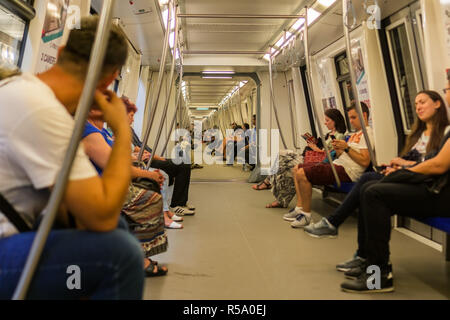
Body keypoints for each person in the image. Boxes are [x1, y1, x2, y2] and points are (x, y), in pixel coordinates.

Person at [0, 17, 144, 299]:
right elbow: (101, 215)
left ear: (62, 52)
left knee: (117, 228)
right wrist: (122, 131)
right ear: (110, 78)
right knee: (119, 256)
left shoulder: (23, 91)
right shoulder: (42, 111)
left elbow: (82, 215)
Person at [305, 91, 449, 240]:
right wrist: (396, 166)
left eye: (422, 102)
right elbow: (414, 160)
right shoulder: (418, 133)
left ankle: (334, 223)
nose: (418, 107)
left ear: (437, 103)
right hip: (407, 174)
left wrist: (403, 167)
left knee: (369, 189)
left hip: (420, 180)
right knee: (367, 182)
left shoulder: (444, 134)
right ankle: (346, 236)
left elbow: (433, 164)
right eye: (416, 104)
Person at [289, 103, 373, 228]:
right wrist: (339, 149)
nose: (351, 121)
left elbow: (365, 161)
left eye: (353, 117)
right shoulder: (355, 134)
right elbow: (344, 155)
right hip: (338, 165)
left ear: (364, 115)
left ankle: (305, 215)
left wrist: (347, 148)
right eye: (350, 118)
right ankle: (300, 207)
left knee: (302, 173)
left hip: (347, 171)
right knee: (298, 168)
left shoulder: (367, 134)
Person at [253, 109, 347, 211]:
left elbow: (331, 155)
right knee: (282, 161)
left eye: (327, 120)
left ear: (335, 121)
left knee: (284, 161)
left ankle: (271, 187)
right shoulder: (329, 134)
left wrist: (315, 148)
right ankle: (277, 194)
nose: (325, 123)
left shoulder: (339, 136)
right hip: (315, 157)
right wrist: (314, 144)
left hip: (320, 161)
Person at [122, 96, 184, 228]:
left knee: (166, 173)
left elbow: (135, 148)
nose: (133, 119)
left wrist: (143, 155)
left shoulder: (127, 131)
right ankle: (164, 215)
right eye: (131, 115)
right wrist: (140, 157)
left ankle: (166, 211)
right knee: (163, 174)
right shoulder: (116, 132)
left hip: (137, 161)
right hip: (129, 167)